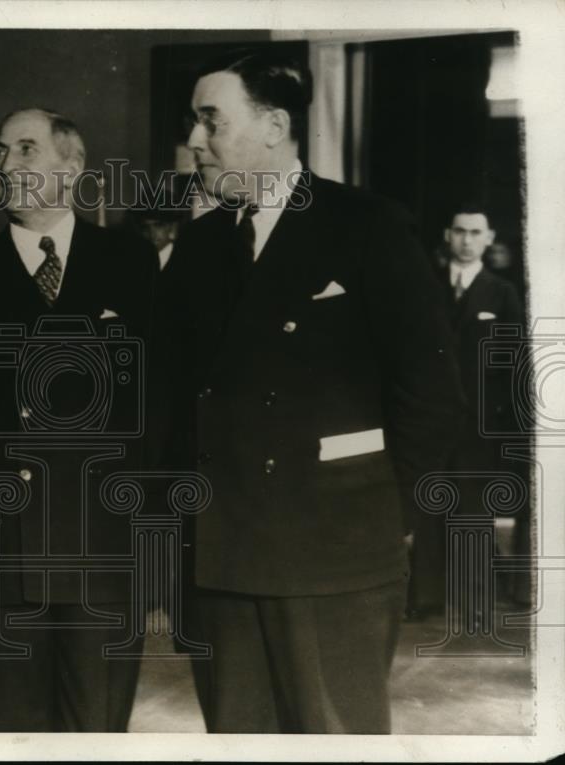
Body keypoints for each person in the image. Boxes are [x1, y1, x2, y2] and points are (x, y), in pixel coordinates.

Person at [158, 51, 464, 733]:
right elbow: (172, 401)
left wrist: (392, 513)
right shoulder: (201, 245)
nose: (195, 141)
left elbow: (433, 390)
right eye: (193, 123)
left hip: (337, 554)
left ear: (273, 127)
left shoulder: (367, 225)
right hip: (222, 559)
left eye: (211, 121)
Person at [0, 108, 157, 731]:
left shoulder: (132, 265)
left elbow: (160, 410)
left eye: (25, 150)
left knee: (96, 731)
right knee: (6, 732)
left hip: (104, 549)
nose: (6, 166)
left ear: (72, 167)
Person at [408, 204, 526, 616]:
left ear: (489, 239)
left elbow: (514, 361)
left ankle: (474, 599)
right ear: (447, 235)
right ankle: (426, 597)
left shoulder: (503, 293)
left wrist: (507, 423)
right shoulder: (426, 288)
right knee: (429, 504)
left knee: (474, 508)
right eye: (460, 231)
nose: (467, 240)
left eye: (476, 233)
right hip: (432, 419)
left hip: (480, 421)